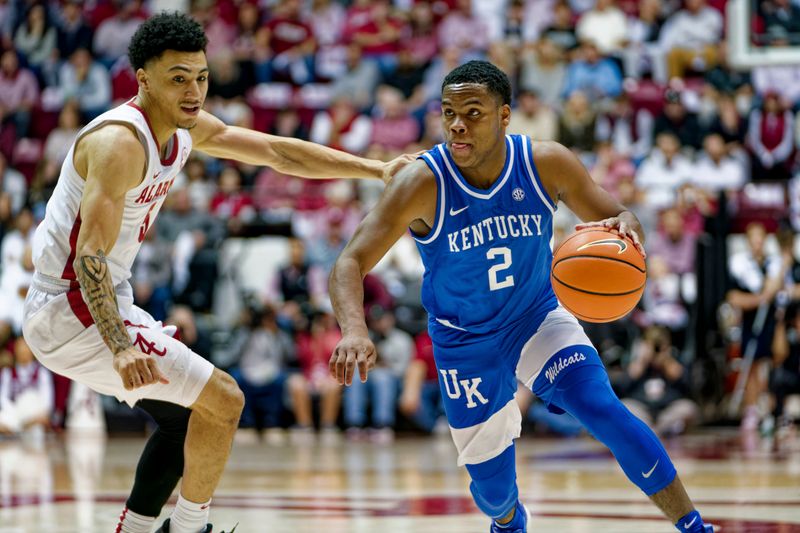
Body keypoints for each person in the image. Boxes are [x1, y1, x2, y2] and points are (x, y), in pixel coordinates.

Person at [21, 12, 414, 533]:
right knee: (225, 399)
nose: (194, 90)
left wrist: (375, 168)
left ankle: (136, 529)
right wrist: (120, 345)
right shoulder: (119, 143)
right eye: (178, 78)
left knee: (186, 416)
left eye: (201, 77)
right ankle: (189, 528)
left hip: (98, 299)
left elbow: (276, 152)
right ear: (144, 79)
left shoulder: (185, 129)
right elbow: (90, 257)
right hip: (72, 304)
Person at [328, 60, 713, 533]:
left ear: (505, 116)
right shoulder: (422, 182)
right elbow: (349, 262)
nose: (456, 124)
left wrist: (627, 224)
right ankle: (509, 523)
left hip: (535, 318)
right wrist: (353, 329)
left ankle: (695, 527)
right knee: (493, 493)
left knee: (604, 409)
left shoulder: (545, 162)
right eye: (448, 112)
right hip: (463, 341)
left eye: (472, 112)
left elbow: (614, 213)